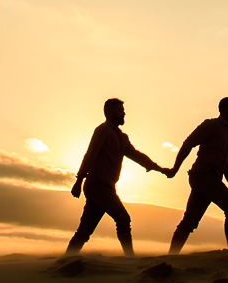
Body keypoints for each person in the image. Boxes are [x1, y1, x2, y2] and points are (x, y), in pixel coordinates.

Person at [66, 98, 166, 258]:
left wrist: (159, 168)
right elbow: (90, 154)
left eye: (123, 110)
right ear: (110, 112)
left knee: (85, 230)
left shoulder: (122, 137)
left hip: (107, 186)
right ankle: (130, 257)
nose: (124, 113)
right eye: (120, 110)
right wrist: (79, 180)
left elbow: (136, 155)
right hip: (97, 185)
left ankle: (65, 259)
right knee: (123, 218)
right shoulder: (103, 130)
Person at [164, 97, 228, 254]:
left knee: (190, 220)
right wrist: (175, 168)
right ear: (227, 109)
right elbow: (188, 143)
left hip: (210, 179)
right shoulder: (211, 125)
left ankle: (171, 255)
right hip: (202, 176)